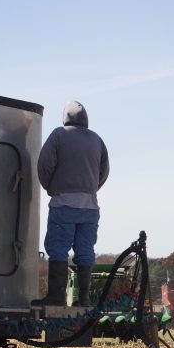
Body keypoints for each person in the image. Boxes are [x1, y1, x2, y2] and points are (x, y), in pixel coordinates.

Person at [32, 101, 109, 307]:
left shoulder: (59, 135)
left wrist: (51, 188)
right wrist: (90, 188)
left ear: (65, 117)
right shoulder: (97, 140)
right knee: (85, 250)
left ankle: (57, 297)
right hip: (90, 207)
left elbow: (44, 165)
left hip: (63, 204)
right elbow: (104, 172)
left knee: (57, 248)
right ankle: (83, 299)